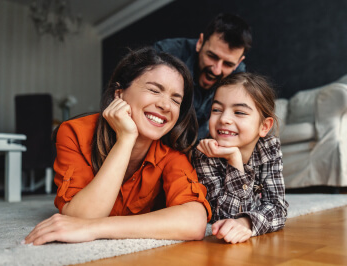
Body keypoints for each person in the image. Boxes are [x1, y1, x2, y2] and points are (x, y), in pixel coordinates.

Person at [24, 47, 212, 246]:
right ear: (119, 94)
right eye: (154, 90)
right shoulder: (74, 132)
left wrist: (97, 228)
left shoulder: (171, 151)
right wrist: (126, 138)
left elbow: (194, 222)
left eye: (176, 100)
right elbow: (81, 216)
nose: (166, 106)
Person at [192, 72, 288, 244]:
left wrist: (246, 222)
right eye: (217, 110)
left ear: (264, 126)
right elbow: (222, 218)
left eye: (239, 112)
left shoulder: (270, 147)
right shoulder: (204, 152)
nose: (224, 119)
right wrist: (234, 160)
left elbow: (278, 208)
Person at [154, 13, 252, 141]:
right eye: (212, 56)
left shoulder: (240, 78)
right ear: (200, 42)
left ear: (238, 62)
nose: (216, 70)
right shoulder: (165, 54)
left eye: (228, 64)